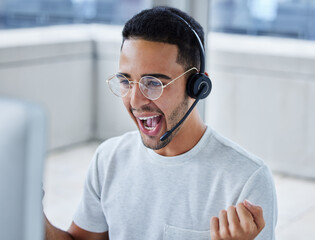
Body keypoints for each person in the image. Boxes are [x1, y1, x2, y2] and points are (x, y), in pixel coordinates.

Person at [45, 6, 277, 240]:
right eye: (126, 81)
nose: (135, 101)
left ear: (197, 87)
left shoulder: (246, 179)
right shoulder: (108, 159)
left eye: (153, 83)